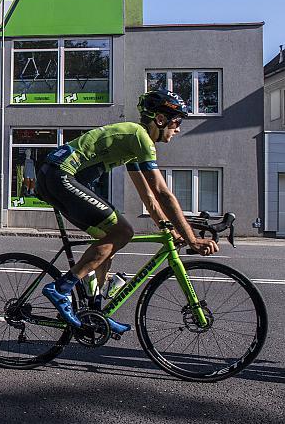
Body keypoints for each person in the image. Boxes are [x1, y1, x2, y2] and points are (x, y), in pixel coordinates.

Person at [35, 89, 219, 334]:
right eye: (176, 122)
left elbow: (149, 197)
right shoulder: (140, 136)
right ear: (160, 120)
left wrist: (168, 228)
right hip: (61, 175)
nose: (178, 128)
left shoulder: (134, 143)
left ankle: (94, 313)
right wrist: (191, 238)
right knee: (123, 231)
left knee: (108, 241)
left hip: (55, 177)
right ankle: (61, 288)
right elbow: (163, 193)